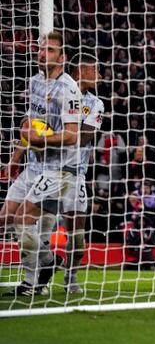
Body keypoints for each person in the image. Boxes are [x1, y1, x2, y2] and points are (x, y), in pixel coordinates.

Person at [6, 30, 82, 296]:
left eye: (50, 50)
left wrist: (41, 138)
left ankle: (32, 281)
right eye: (41, 49)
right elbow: (28, 122)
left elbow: (73, 136)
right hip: (34, 165)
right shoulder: (35, 81)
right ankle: (49, 262)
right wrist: (14, 159)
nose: (42, 54)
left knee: (22, 219)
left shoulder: (69, 89)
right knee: (5, 218)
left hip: (60, 169)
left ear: (62, 56)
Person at [59, 53, 104, 294]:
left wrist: (54, 135)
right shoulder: (57, 92)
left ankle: (70, 276)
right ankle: (34, 276)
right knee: (34, 227)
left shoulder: (95, 103)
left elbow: (84, 136)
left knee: (77, 237)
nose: (100, 75)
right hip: (45, 170)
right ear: (80, 70)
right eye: (95, 69)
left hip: (75, 174)